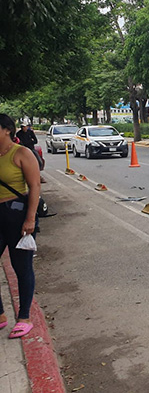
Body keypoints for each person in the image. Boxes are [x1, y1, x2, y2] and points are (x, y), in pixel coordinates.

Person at [0, 114, 40, 339]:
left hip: (16, 215)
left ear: (7, 130)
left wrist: (30, 218)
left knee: (21, 266)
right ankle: (0, 315)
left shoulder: (21, 153)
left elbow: (34, 186)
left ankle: (24, 318)